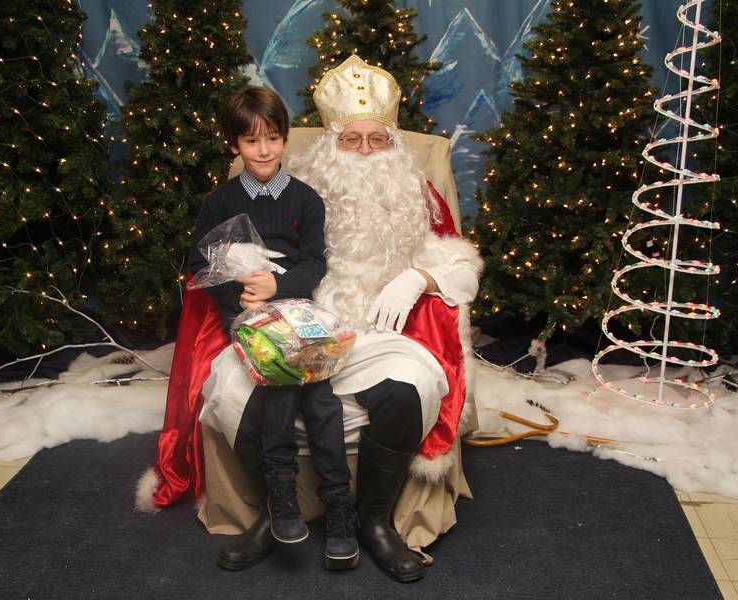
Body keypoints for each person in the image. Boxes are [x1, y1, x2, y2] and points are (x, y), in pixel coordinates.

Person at [139, 56, 481, 583]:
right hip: (290, 327)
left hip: (378, 336)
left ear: (393, 144)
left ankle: (374, 523)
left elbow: (461, 264)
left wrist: (421, 278)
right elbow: (224, 260)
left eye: (377, 140)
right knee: (231, 386)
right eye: (351, 139)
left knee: (411, 386)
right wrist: (254, 299)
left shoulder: (415, 194)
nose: (364, 151)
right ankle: (272, 513)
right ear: (330, 143)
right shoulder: (299, 188)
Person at [188, 86, 359, 570]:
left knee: (321, 400)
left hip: (300, 312)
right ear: (234, 145)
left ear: (285, 138)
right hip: (249, 317)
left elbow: (314, 263)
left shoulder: (306, 199)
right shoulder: (220, 201)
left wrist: (277, 285)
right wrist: (242, 295)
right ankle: (282, 495)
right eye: (251, 141)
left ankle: (338, 508)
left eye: (272, 139)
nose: (263, 151)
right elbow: (199, 263)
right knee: (282, 384)